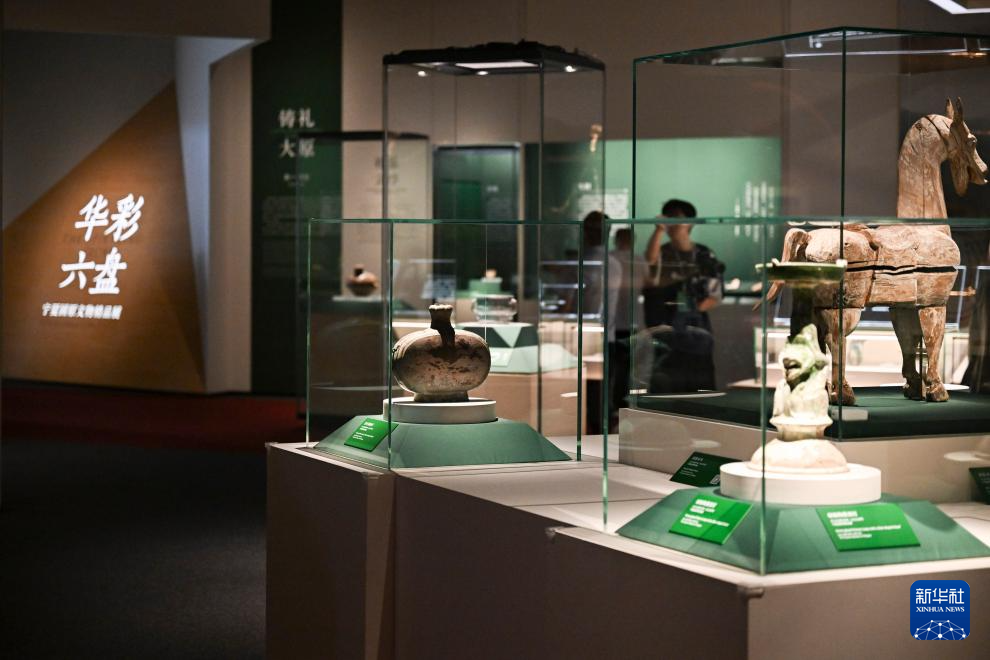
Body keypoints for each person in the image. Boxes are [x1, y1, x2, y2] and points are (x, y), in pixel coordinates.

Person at [642, 199, 724, 392]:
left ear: (690, 222)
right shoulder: (662, 252)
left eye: (677, 218)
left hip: (696, 332)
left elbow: (715, 295)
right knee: (666, 384)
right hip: (666, 330)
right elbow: (650, 261)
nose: (672, 223)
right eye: (669, 217)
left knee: (698, 386)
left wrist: (690, 312)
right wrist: (659, 230)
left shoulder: (704, 254)